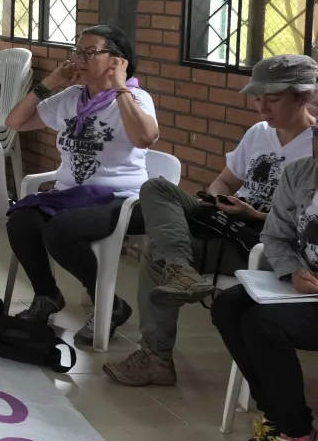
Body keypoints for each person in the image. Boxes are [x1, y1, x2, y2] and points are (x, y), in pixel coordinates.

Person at [105, 55, 317, 387]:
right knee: (158, 188)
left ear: (303, 96)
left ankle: (156, 353)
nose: (262, 108)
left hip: (264, 241)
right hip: (228, 221)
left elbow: (302, 225)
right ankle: (180, 270)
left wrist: (253, 214)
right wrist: (217, 199)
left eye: (272, 100)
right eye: (257, 99)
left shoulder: (313, 147)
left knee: (154, 253)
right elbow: (225, 181)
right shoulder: (259, 133)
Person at [3, 24, 160, 346]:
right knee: (21, 220)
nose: (81, 58)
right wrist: (49, 83)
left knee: (60, 230)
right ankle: (47, 296)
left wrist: (120, 88)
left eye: (91, 52)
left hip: (123, 198)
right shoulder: (71, 97)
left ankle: (108, 303)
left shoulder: (135, 97)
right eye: (78, 51)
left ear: (118, 60)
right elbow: (14, 122)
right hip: (72, 195)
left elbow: (145, 137)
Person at [210, 142, 318, 441]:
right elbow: (274, 234)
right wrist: (292, 270)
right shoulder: (301, 171)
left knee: (263, 325)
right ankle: (277, 415)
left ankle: (298, 431)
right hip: (304, 286)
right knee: (228, 306)